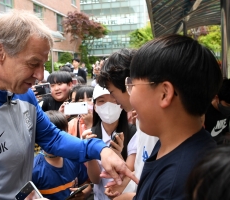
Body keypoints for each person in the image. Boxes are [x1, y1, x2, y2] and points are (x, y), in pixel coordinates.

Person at [0, 10, 136, 200]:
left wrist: (100, 149)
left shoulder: (24, 94)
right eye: (32, 63)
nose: (39, 76)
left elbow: (52, 138)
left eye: (43, 65)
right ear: (0, 51)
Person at [112, 35, 221, 200]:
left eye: (132, 85)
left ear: (165, 93)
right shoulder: (171, 145)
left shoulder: (178, 182)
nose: (130, 95)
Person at [97, 49, 158, 198]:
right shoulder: (141, 122)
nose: (114, 101)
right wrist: (126, 182)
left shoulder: (158, 126)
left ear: (129, 84)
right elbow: (143, 167)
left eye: (112, 92)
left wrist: (130, 197)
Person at [82, 84, 136, 200]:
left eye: (114, 100)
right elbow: (95, 179)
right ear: (95, 106)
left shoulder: (132, 133)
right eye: (102, 101)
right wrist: (89, 151)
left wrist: (118, 154)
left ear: (121, 104)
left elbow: (129, 173)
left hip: (126, 195)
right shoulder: (90, 135)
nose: (108, 106)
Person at [32, 110, 92, 200]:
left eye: (61, 135)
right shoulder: (33, 169)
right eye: (50, 136)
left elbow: (86, 185)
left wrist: (83, 193)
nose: (56, 140)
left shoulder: (73, 159)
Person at [204, 78, 230, 144]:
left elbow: (225, 131)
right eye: (227, 105)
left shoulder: (226, 111)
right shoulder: (204, 112)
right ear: (216, 98)